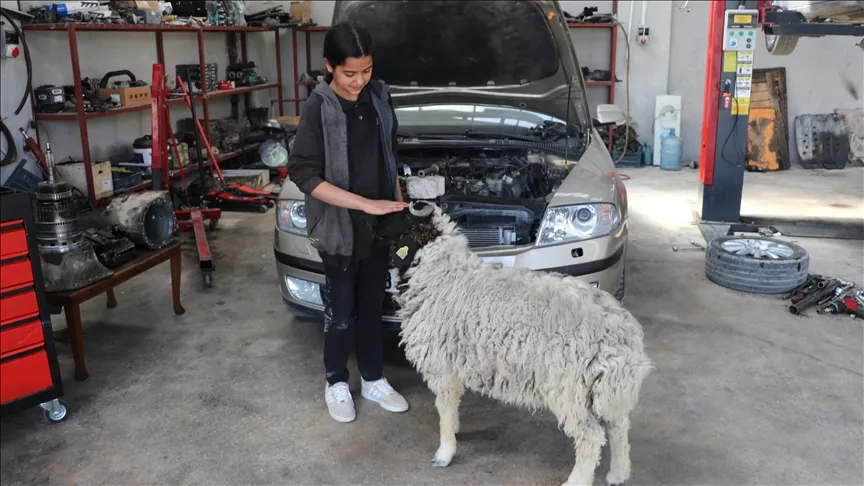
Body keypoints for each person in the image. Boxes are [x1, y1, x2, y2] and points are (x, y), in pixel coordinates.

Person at [286, 20, 410, 424]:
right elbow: (303, 174)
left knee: (373, 305)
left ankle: (373, 379)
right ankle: (336, 381)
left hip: (377, 226)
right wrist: (363, 204)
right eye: (349, 73)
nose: (359, 81)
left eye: (366, 70)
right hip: (338, 227)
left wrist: (395, 200)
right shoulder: (319, 107)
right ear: (329, 66)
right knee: (340, 311)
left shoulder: (378, 97)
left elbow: (388, 155)